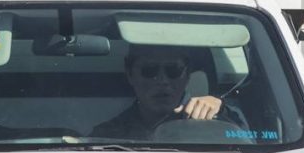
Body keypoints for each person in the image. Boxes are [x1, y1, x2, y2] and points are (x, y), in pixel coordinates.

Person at [90, 45, 243, 140]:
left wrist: (222, 109)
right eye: (149, 71)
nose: (162, 80)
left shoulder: (218, 121)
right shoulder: (106, 136)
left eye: (173, 70)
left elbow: (255, 141)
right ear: (130, 74)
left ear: (187, 74)